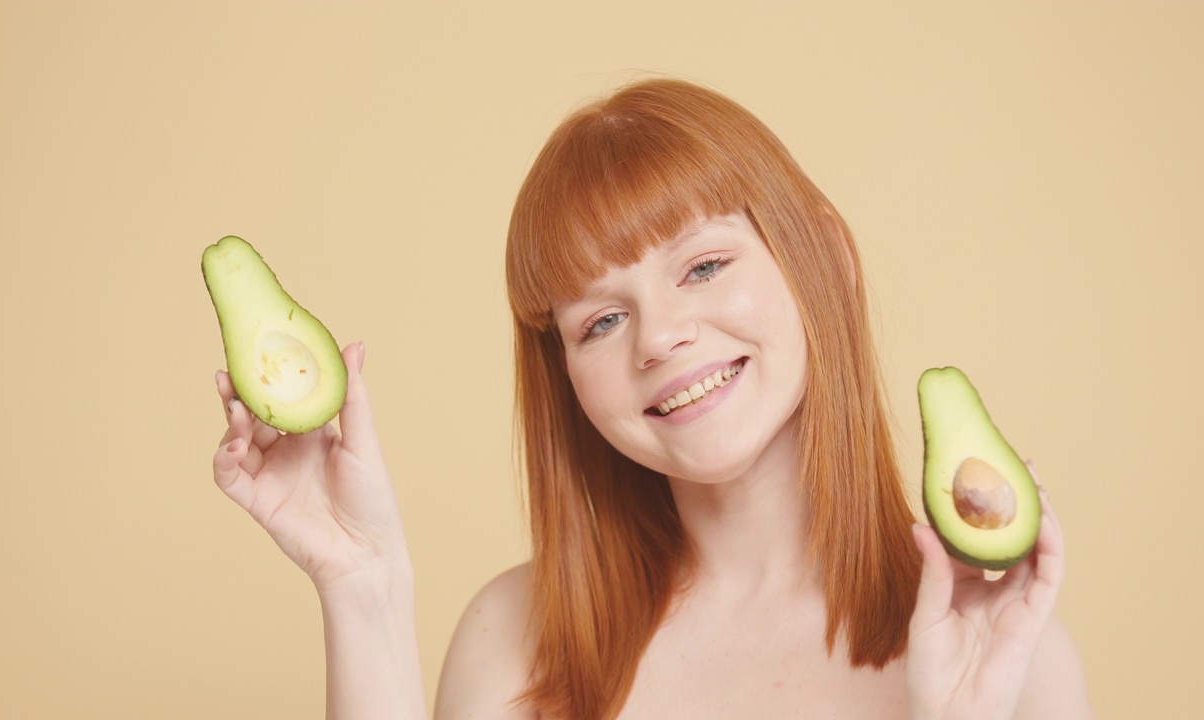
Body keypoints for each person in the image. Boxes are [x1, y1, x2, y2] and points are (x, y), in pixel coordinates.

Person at [211, 78, 1091, 719]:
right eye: (599, 321)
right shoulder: (512, 640)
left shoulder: (1009, 659)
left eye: (704, 266)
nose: (660, 336)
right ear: (565, 376)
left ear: (826, 255)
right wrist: (363, 585)